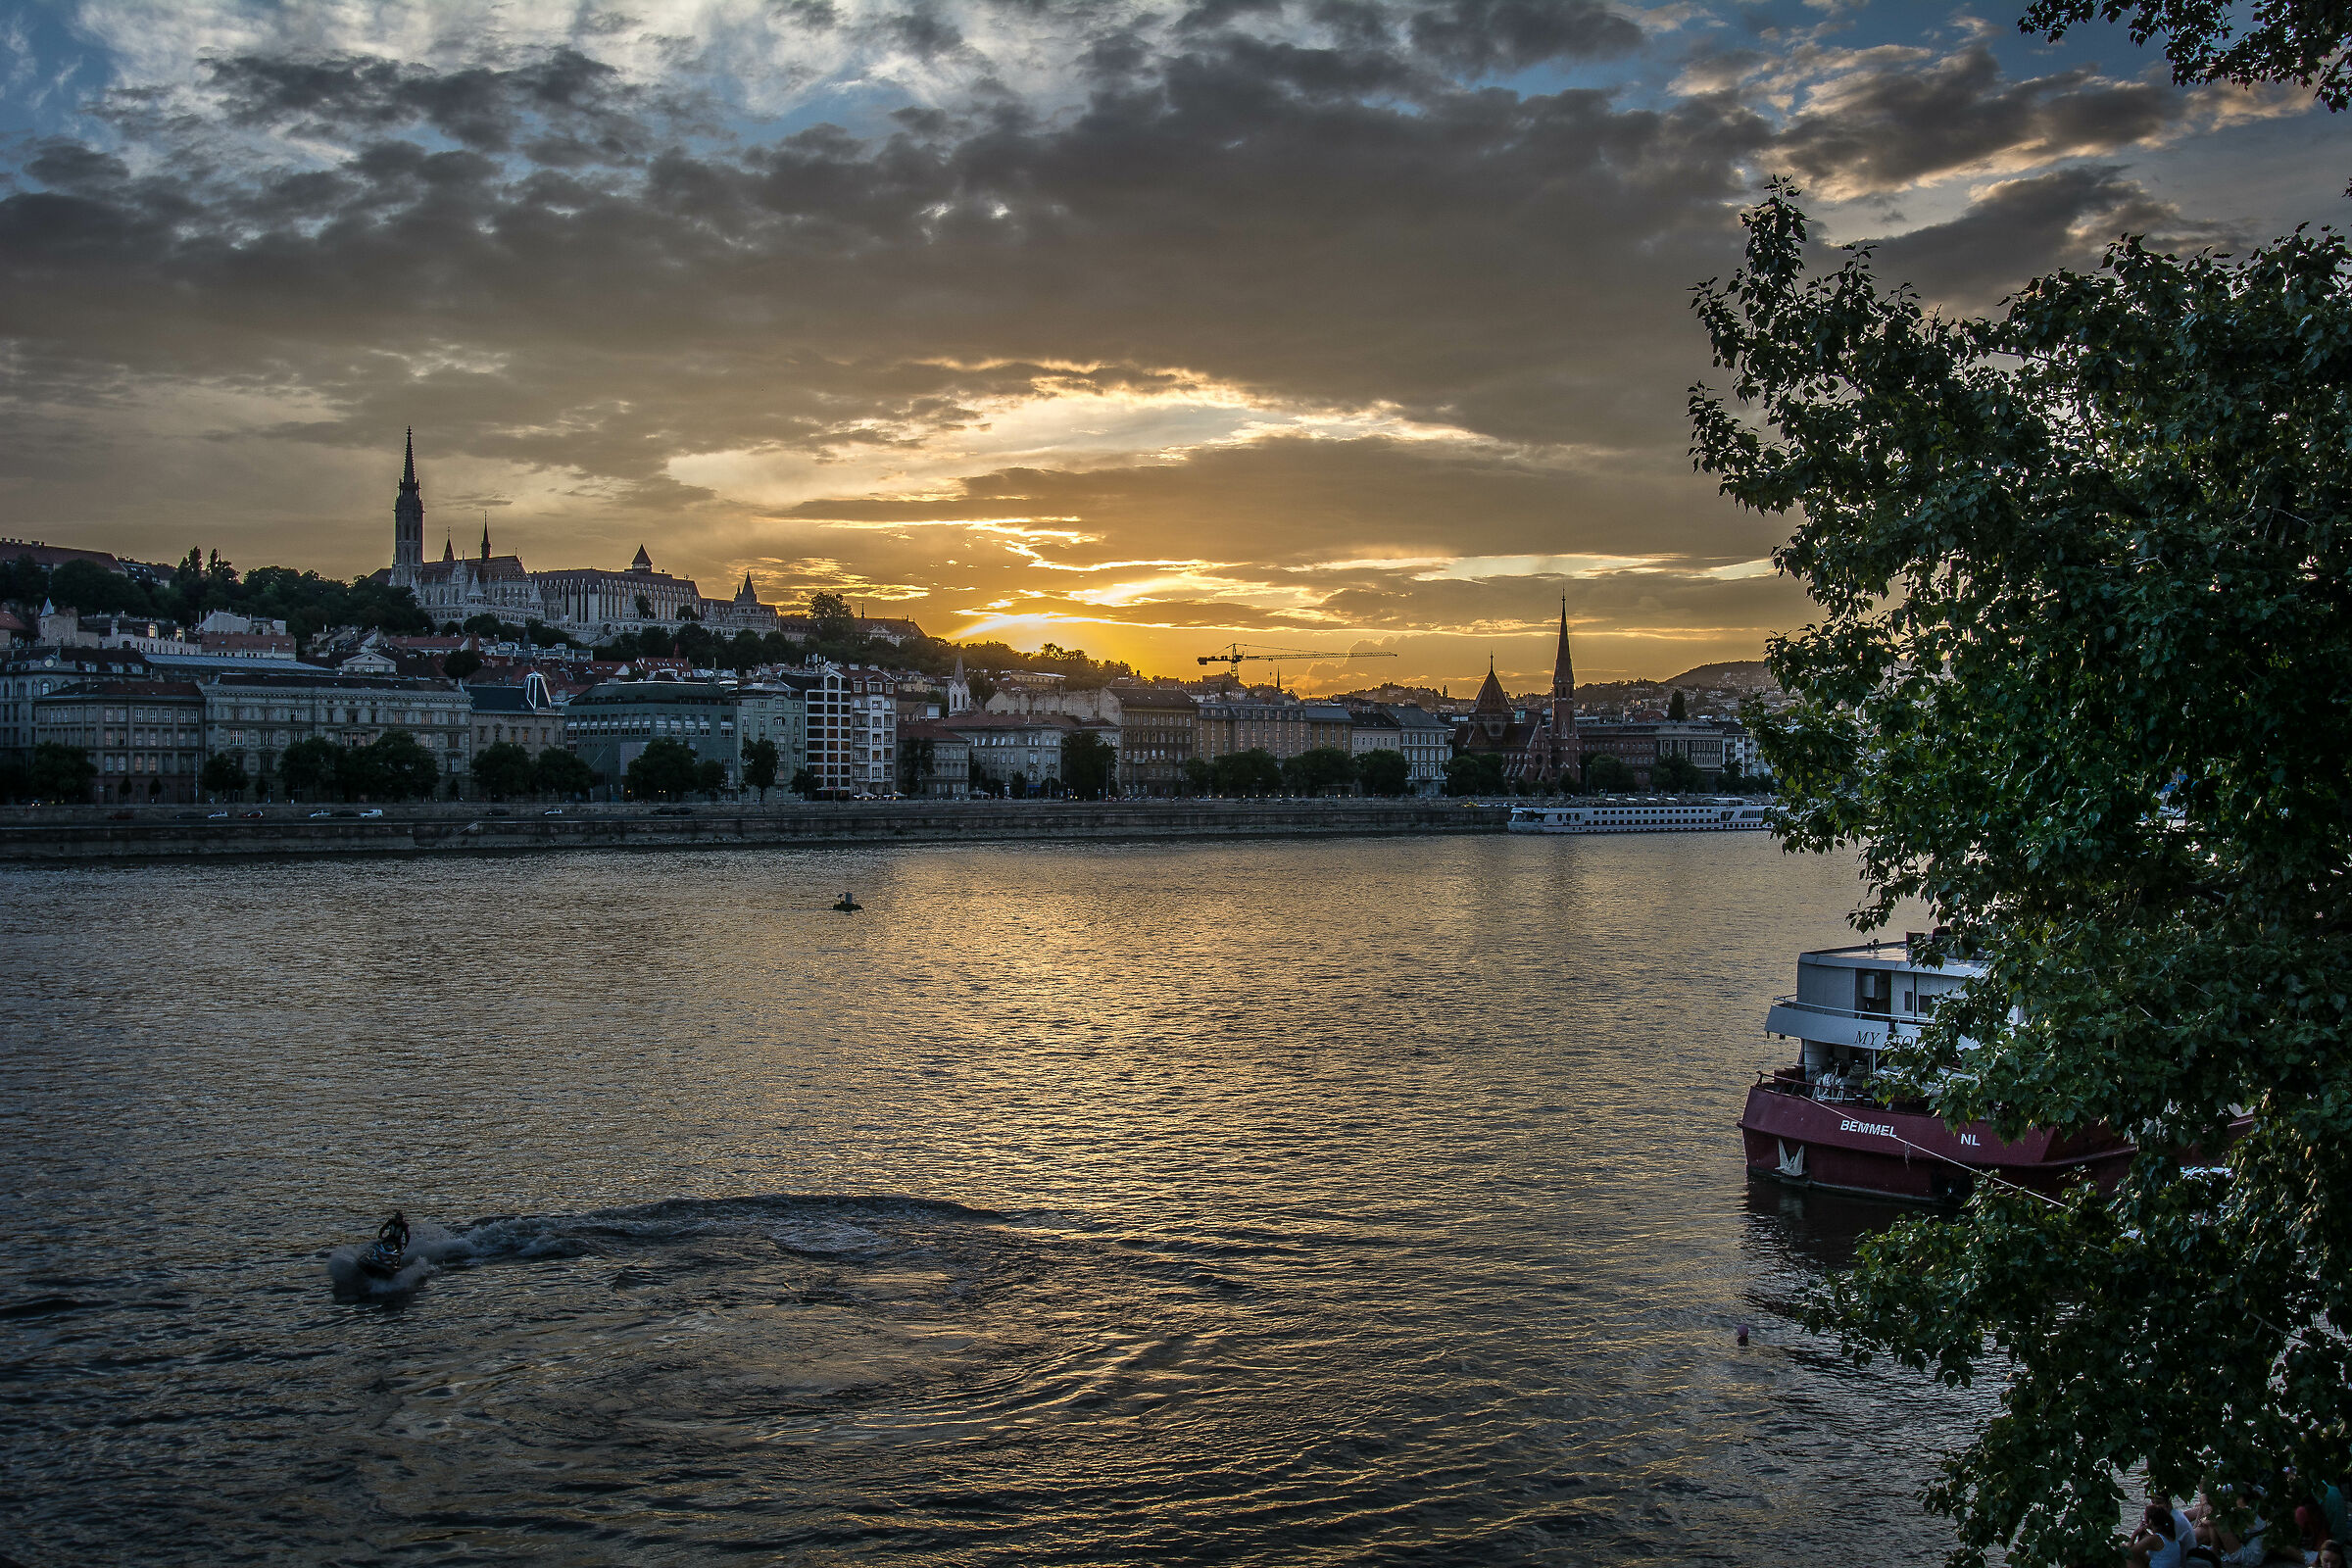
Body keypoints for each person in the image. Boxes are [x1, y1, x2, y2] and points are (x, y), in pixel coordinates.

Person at [2130, 1496, 2199, 1568]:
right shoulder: (2170, 1535)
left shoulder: (2153, 1539)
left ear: (2150, 1522)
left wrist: (2135, 1533)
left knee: (2125, 1557)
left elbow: (2129, 1553)